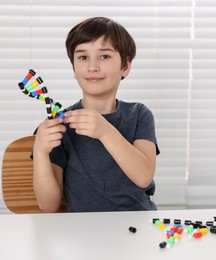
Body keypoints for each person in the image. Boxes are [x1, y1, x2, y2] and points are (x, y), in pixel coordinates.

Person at [32, 16, 160, 213]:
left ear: (125, 66)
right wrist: (40, 152)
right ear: (74, 68)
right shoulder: (59, 124)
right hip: (84, 232)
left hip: (137, 226)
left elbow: (144, 177)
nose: (93, 66)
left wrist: (105, 132)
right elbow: (48, 205)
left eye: (105, 56)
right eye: (83, 57)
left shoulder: (139, 114)